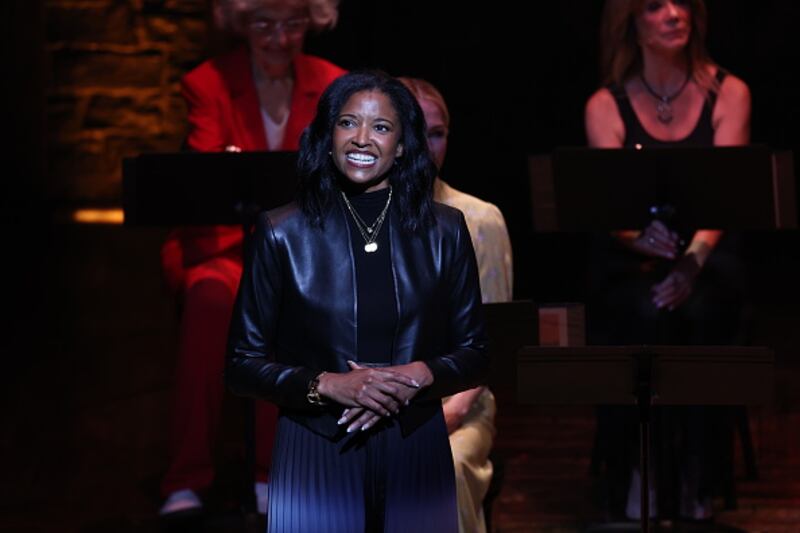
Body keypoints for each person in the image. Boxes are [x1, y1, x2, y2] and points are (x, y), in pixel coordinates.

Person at [226, 70, 489, 532]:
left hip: (416, 440)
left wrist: (418, 375)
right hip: (315, 444)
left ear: (402, 145)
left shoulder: (445, 231)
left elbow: (476, 353)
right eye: (348, 123)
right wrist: (326, 385)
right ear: (327, 136)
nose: (362, 138)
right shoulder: (281, 233)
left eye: (381, 127)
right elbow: (241, 364)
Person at [159, 0, 345, 516]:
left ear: (311, 23)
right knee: (209, 303)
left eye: (292, 24)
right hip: (220, 244)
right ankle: (187, 477)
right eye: (264, 24)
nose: (279, 38)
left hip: (296, 252)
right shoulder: (208, 83)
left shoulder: (333, 83)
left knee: (284, 311)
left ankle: (272, 471)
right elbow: (206, 183)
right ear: (241, 24)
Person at [584, 0, 751, 521]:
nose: (674, 14)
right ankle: (642, 469)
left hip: (705, 254)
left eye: (682, 4)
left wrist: (690, 263)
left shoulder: (729, 91)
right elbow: (610, 205)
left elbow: (728, 197)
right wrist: (638, 239)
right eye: (656, 6)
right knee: (640, 312)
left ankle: (700, 473)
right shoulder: (605, 104)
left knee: (702, 313)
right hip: (635, 255)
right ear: (631, 21)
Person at [400, 76, 512, 533]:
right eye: (415, 132)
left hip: (456, 403)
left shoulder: (479, 219)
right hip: (374, 400)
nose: (427, 148)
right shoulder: (351, 220)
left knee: (439, 470)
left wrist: (445, 414)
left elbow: (491, 342)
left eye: (437, 133)